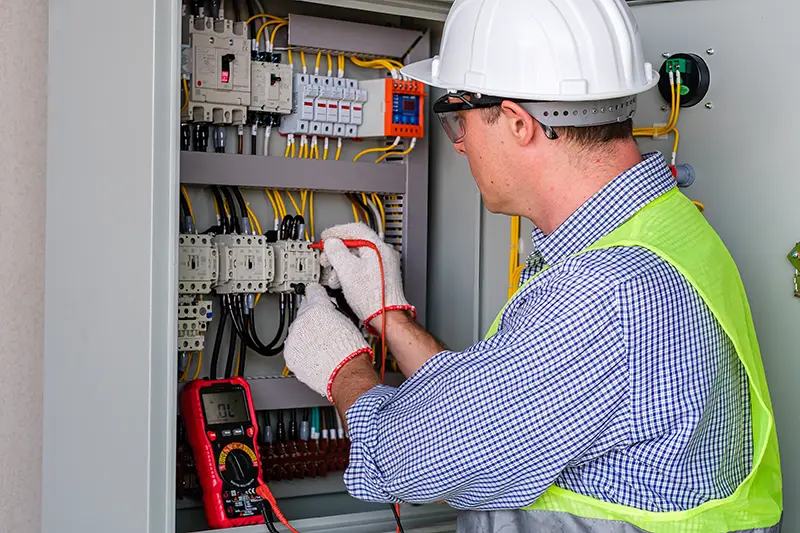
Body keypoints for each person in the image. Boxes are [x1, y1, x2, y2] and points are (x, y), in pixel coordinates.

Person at [283, 0, 782, 531]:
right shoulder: (668, 230)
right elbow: (497, 416)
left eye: (459, 123)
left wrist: (341, 369)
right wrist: (389, 318)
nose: (458, 146)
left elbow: (401, 458)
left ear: (519, 123)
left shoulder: (602, 294)